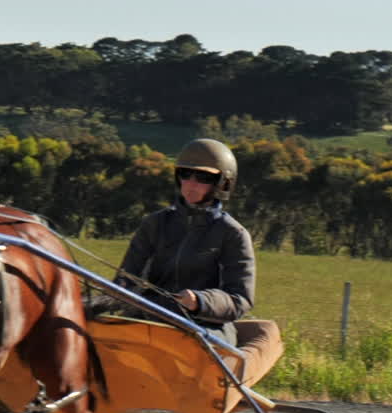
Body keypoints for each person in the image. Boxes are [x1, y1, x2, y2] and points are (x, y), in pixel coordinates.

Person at [108, 138, 282, 390]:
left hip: (206, 328)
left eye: (202, 177)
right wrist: (116, 293)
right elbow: (126, 279)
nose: (191, 184)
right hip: (150, 318)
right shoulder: (154, 224)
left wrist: (199, 301)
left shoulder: (232, 234)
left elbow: (239, 299)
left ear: (222, 183)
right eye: (185, 175)